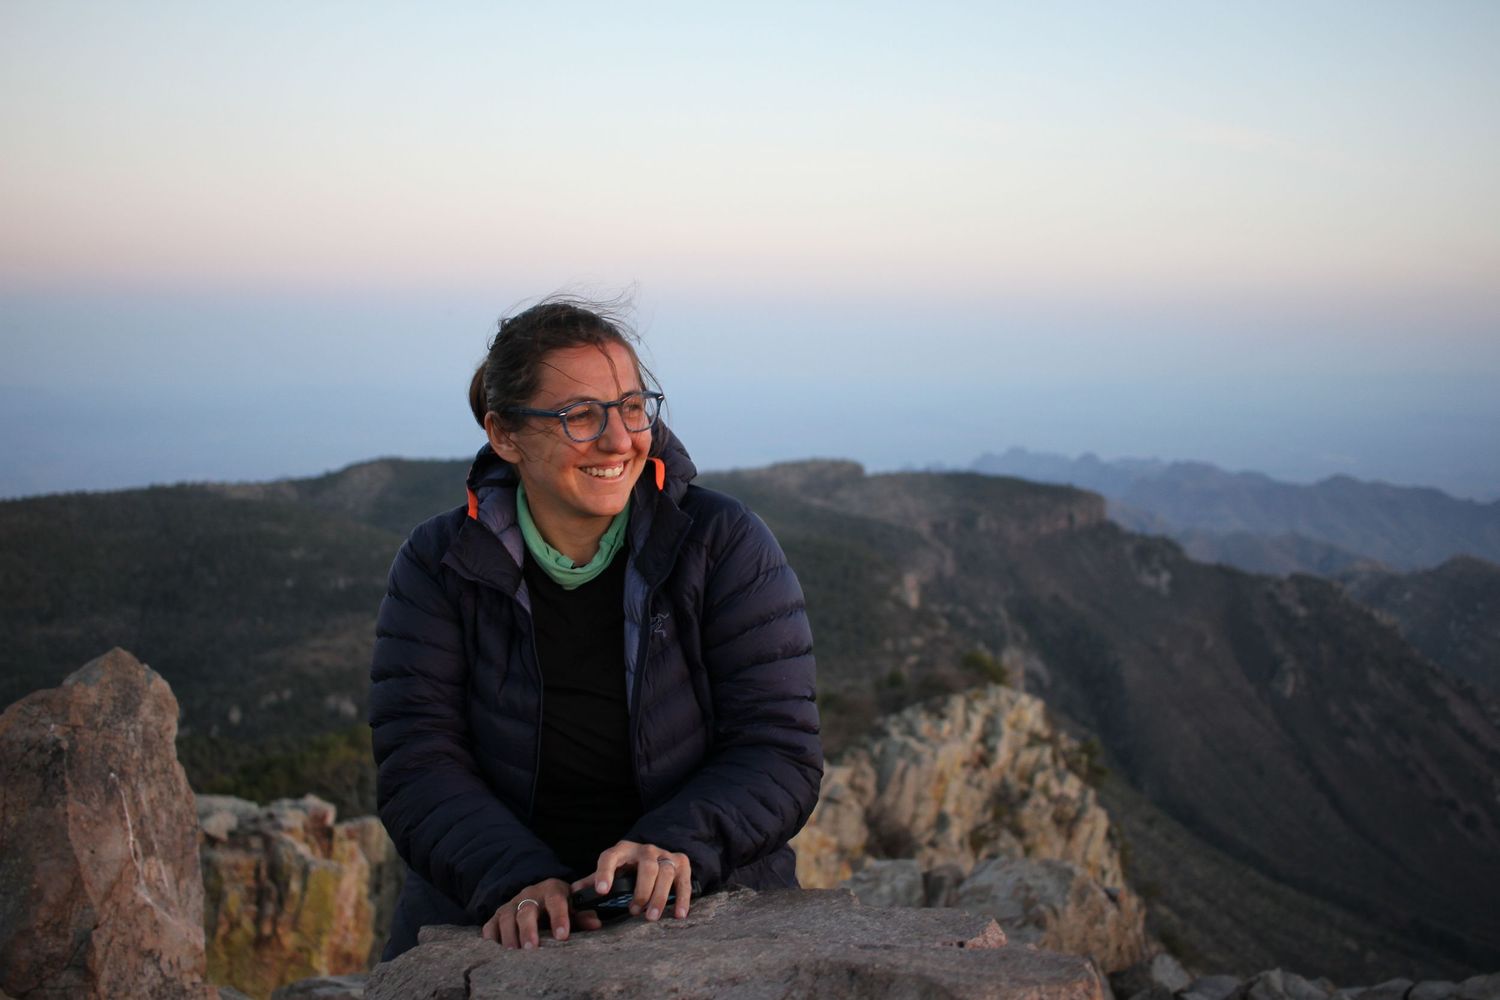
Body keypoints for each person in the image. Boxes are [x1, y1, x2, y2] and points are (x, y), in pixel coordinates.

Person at [369, 298, 822, 956]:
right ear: (504, 435)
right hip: (493, 911)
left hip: (702, 899)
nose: (619, 440)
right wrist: (512, 877)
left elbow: (780, 750)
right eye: (580, 416)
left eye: (632, 408)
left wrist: (672, 844)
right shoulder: (439, 563)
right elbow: (418, 763)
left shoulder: (721, 543)